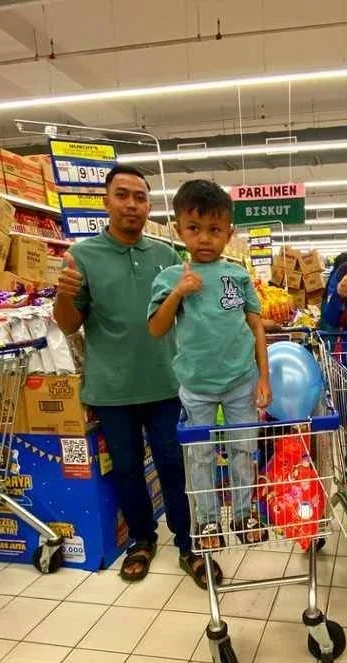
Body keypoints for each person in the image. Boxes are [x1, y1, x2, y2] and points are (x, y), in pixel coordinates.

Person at [53, 165, 222, 589]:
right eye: (122, 195)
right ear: (106, 202)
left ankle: (189, 544)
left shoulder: (167, 255)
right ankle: (142, 540)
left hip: (167, 383)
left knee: (174, 466)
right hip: (111, 388)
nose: (132, 204)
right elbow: (69, 325)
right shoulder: (83, 257)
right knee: (127, 469)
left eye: (140, 197)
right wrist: (64, 293)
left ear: (149, 206)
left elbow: (192, 317)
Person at [148, 179, 271, 550]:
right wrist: (178, 293)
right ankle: (206, 520)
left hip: (241, 380)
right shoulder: (170, 278)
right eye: (194, 228)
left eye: (215, 230)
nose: (204, 238)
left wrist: (264, 377)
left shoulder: (238, 275)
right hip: (196, 385)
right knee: (199, 455)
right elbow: (156, 328)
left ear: (229, 234)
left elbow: (256, 326)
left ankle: (243, 514)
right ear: (178, 229)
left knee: (244, 449)